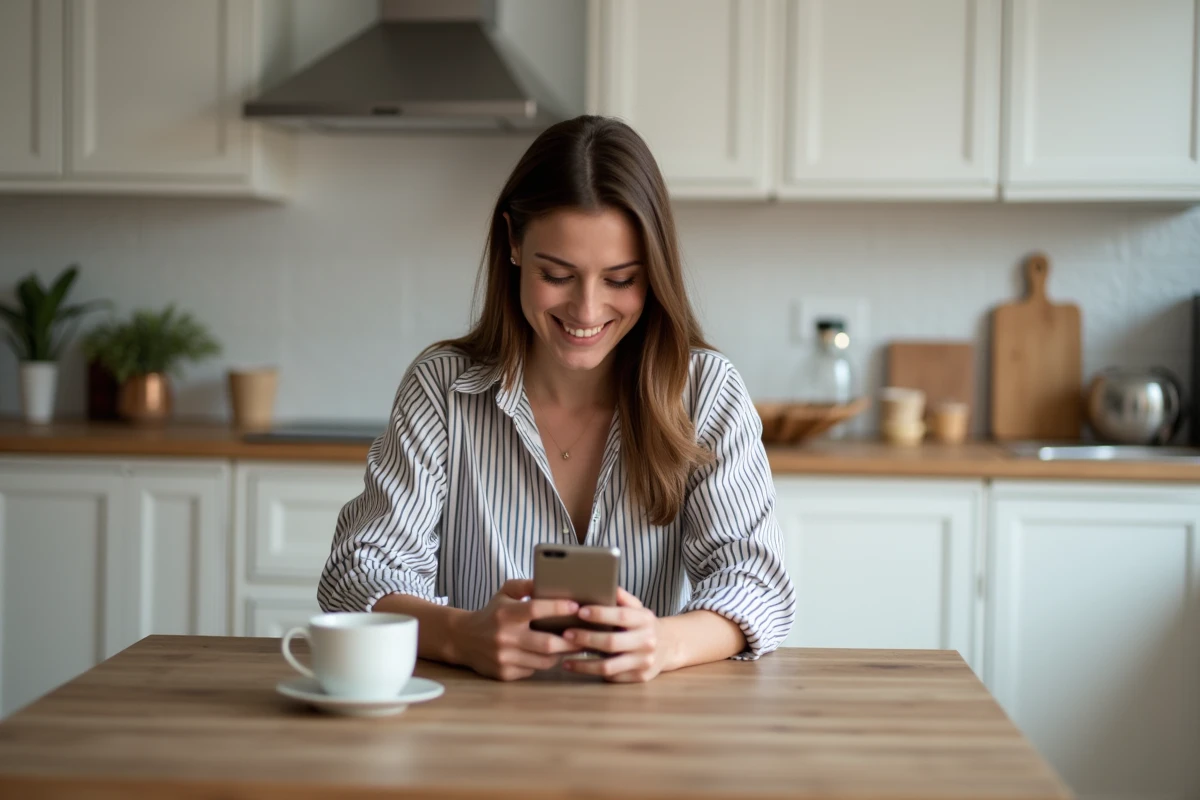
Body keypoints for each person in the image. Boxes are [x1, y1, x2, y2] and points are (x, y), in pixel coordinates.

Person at [318, 115, 795, 683]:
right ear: (514, 244)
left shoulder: (706, 393)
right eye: (558, 274)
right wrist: (459, 635)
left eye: (620, 280)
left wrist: (664, 643)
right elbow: (358, 572)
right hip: (472, 732)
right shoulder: (442, 389)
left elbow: (757, 583)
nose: (587, 311)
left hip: (648, 743)